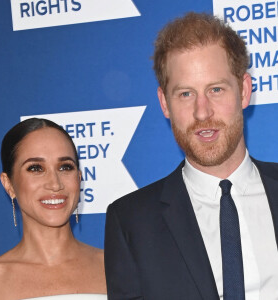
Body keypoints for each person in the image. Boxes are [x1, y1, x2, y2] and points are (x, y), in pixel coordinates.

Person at [104, 12, 278, 300]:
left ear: (245, 91)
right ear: (164, 103)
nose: (202, 112)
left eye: (216, 90)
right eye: (185, 94)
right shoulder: (131, 222)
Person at [0, 118, 107, 299]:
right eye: (36, 168)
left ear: (79, 178)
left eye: (65, 167)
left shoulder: (117, 268)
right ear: (8, 184)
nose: (55, 184)